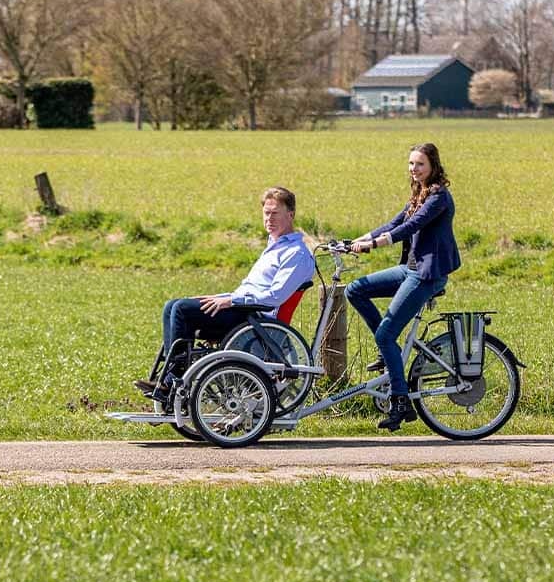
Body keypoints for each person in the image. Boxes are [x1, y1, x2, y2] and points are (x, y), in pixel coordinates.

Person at [134, 187, 315, 401]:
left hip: (256, 321)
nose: (269, 218)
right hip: (244, 310)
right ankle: (172, 377)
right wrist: (217, 297)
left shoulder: (296, 254)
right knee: (172, 305)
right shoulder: (274, 247)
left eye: (275, 213)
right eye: (266, 213)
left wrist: (230, 300)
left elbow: (274, 297)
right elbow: (250, 289)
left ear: (291, 215)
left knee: (182, 310)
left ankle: (174, 381)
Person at [345, 143, 461, 431]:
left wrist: (372, 244)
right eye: (411, 164)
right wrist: (353, 241)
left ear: (433, 165)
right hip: (410, 269)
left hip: (427, 274)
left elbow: (407, 229)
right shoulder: (418, 194)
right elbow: (394, 222)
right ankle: (390, 353)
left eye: (420, 164)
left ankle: (400, 400)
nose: (414, 169)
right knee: (354, 289)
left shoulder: (438, 197)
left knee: (385, 334)